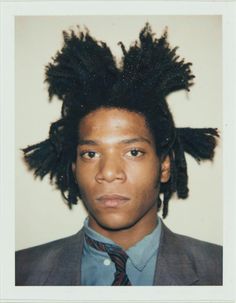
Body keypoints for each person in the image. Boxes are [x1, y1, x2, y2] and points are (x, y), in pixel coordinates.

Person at [15, 23, 222, 286]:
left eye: (133, 152)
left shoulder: (222, 271)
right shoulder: (18, 273)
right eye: (90, 154)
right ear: (74, 169)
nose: (109, 173)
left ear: (165, 166)